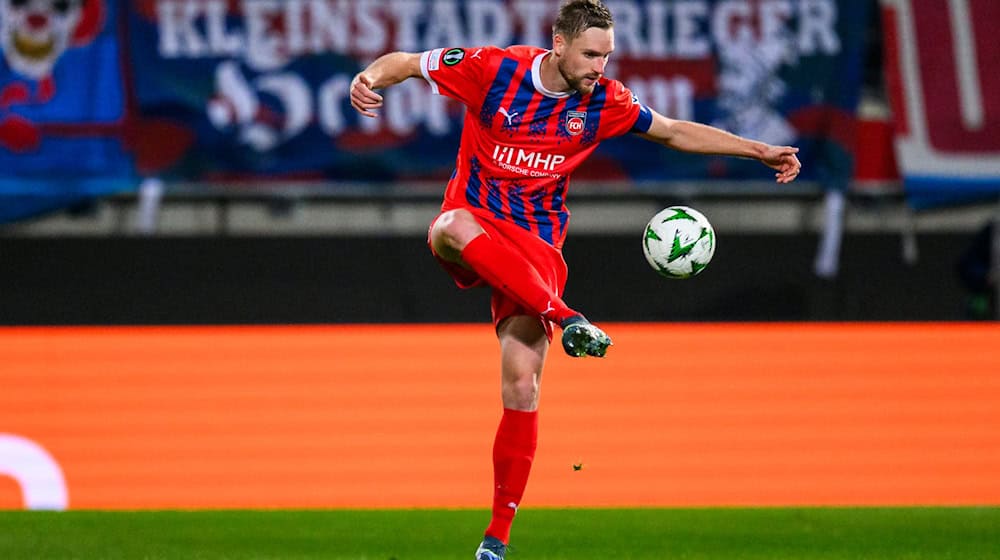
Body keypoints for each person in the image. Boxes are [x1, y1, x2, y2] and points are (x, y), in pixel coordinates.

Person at [349, 1, 802, 558]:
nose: (600, 67)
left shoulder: (604, 102)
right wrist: (368, 77)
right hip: (478, 225)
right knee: (448, 225)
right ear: (558, 44)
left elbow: (672, 131)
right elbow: (407, 62)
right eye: (591, 54)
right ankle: (566, 316)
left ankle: (496, 539)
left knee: (522, 384)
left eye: (607, 56)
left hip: (537, 247)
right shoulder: (494, 70)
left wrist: (757, 150)